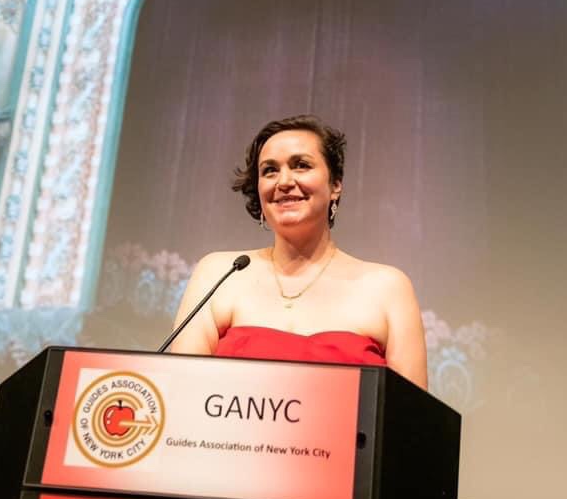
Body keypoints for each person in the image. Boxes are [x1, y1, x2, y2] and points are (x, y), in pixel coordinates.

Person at [172, 115, 428, 388]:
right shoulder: (220, 272)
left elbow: (411, 411)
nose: (283, 181)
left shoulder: (388, 287)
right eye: (270, 170)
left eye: (301, 165)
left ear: (335, 185)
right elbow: (179, 390)